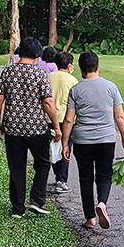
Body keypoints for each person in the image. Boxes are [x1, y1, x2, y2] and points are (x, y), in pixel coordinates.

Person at [61, 51, 124, 229]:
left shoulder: (75, 90)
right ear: (98, 67)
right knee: (104, 174)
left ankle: (90, 218)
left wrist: (64, 143)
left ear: (81, 69)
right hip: (106, 139)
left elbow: (69, 119)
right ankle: (102, 203)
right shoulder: (111, 87)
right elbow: (120, 116)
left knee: (85, 178)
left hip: (82, 141)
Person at [0, 37, 61, 218]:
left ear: (20, 52)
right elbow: (47, 102)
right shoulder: (39, 75)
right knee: (43, 163)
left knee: (16, 166)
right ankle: (37, 199)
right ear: (38, 55)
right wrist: (56, 126)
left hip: (12, 127)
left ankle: (17, 208)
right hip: (36, 128)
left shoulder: (7, 72)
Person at [48, 50, 78, 193]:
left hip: (49, 118)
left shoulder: (48, 77)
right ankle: (61, 180)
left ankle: (55, 175)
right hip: (66, 119)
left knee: (52, 148)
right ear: (69, 66)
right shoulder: (72, 81)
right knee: (65, 148)